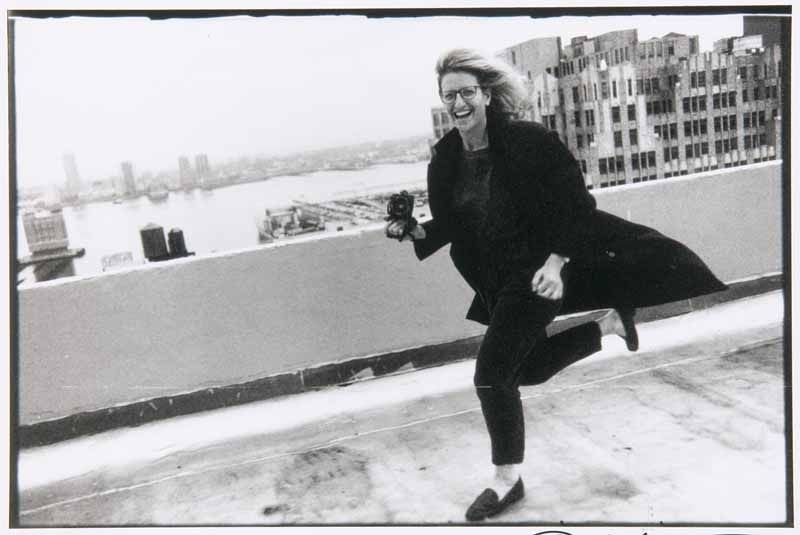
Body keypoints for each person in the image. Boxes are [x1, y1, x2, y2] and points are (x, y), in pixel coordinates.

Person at [385, 48, 727, 522]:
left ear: (487, 95)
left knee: (490, 375)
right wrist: (415, 232)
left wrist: (555, 262)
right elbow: (452, 223)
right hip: (495, 279)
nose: (458, 103)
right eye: (449, 96)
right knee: (523, 371)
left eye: (467, 92)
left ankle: (507, 479)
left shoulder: (528, 141)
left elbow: (576, 205)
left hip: (539, 272)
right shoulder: (446, 158)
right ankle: (608, 326)